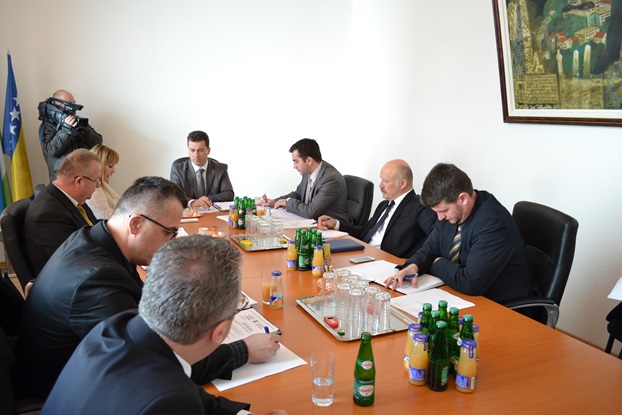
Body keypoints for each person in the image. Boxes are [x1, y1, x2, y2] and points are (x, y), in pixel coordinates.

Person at [15, 176, 280, 400]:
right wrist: (243, 350)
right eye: (169, 232)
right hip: (65, 392)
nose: (172, 241)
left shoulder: (97, 240)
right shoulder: (96, 280)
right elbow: (156, 360)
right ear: (135, 223)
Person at [41, 235, 287, 415]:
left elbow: (187, 393)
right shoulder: (168, 400)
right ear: (220, 331)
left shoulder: (116, 328)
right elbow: (174, 398)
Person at [385, 163, 539, 304]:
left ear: (463, 198)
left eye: (444, 210)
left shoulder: (493, 224)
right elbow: (430, 249)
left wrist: (437, 263)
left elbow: (470, 283)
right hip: (462, 297)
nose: (440, 218)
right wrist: (413, 267)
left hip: (502, 306)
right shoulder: (452, 213)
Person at [318, 159, 436, 258]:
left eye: (386, 181)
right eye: (381, 179)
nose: (380, 185)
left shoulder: (420, 206)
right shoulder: (384, 205)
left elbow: (436, 238)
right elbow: (364, 232)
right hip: (362, 254)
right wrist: (336, 224)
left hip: (385, 262)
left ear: (402, 184)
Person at [24, 148, 100, 276]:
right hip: (71, 280)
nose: (98, 186)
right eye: (96, 180)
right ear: (79, 181)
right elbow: (73, 261)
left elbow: (93, 226)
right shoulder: (48, 215)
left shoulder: (71, 199)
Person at [263, 138, 350, 224]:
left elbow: (310, 211)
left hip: (331, 228)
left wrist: (287, 202)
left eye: (296, 162)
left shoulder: (331, 179)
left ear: (309, 161)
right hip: (313, 223)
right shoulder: (308, 171)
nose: (294, 166)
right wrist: (275, 202)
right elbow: (298, 194)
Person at [37, 89, 103, 181]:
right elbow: (51, 151)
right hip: (64, 180)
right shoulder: (48, 126)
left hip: (85, 177)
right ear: (57, 104)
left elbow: (97, 142)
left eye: (73, 103)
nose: (73, 109)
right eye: (69, 104)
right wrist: (66, 130)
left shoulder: (77, 120)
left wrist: (82, 129)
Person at [170, 130, 234, 209]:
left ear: (208, 151)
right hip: (189, 213)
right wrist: (192, 202)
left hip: (212, 212)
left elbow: (229, 194)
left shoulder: (220, 169)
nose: (196, 155)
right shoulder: (177, 169)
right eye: (192, 150)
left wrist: (206, 200)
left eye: (200, 151)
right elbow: (174, 196)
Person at [86, 144, 121, 220]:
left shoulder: (103, 187)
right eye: (110, 166)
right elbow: (104, 217)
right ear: (99, 166)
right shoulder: (94, 190)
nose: (114, 171)